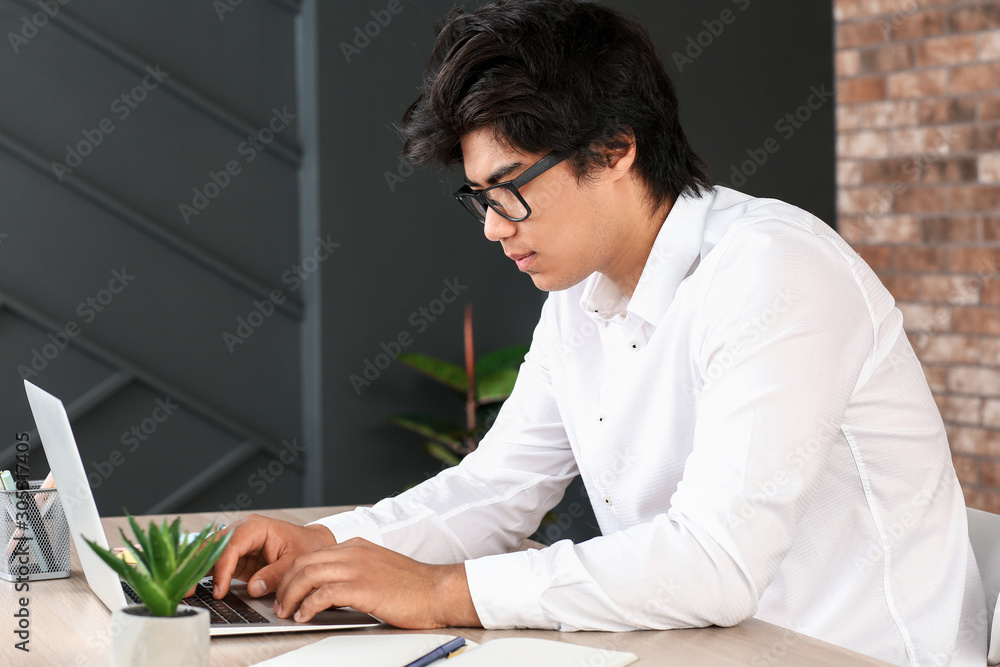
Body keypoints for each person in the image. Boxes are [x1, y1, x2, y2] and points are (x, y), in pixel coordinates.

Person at [205, 1, 985, 663]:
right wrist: (327, 547)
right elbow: (498, 488)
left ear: (615, 149)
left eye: (507, 191)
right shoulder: (581, 299)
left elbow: (715, 559)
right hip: (698, 645)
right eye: (479, 199)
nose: (492, 229)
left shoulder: (774, 271)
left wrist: (444, 590)